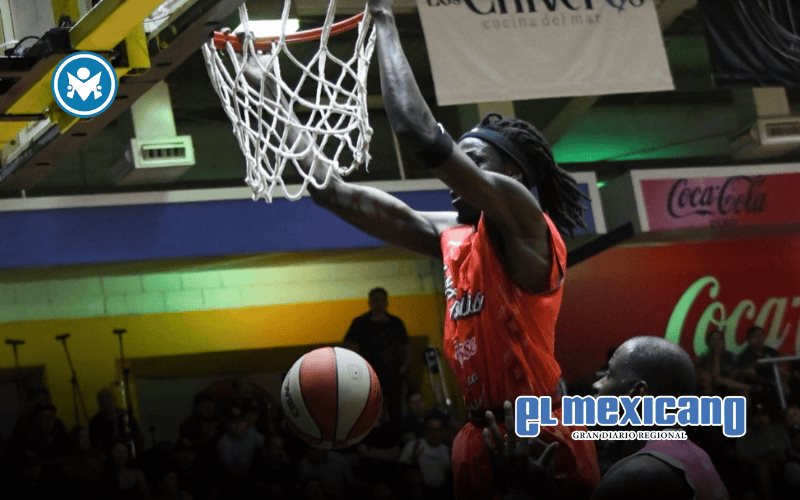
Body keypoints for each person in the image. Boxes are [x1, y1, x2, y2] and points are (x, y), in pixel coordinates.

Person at [241, 0, 600, 497]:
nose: (458, 179)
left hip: (540, 432)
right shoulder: (456, 239)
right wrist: (266, 91)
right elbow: (332, 191)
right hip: (480, 433)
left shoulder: (524, 221)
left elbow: (416, 131)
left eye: (472, 161)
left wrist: (382, 20)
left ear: (513, 173)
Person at [591, 337, 729, 500]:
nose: (596, 384)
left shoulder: (637, 474)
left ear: (638, 394)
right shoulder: (692, 454)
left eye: (609, 375)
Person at [344, 287, 411, 426]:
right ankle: (372, 441)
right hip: (369, 375)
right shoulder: (360, 323)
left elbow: (406, 345)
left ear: (387, 302)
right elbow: (349, 345)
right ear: (369, 302)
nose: (379, 303)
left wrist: (404, 366)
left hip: (393, 373)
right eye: (375, 300)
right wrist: (356, 368)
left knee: (395, 408)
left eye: (381, 300)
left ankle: (396, 439)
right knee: (370, 408)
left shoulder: (396, 323)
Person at [398, 410, 452, 498]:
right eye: (431, 430)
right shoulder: (413, 446)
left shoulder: (447, 451)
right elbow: (399, 472)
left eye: (438, 430)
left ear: (443, 431)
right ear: (425, 430)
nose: (434, 434)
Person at [90, 388, 140, 454]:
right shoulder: (95, 422)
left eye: (108, 398)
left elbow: (137, 434)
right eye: (102, 400)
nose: (106, 402)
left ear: (114, 399)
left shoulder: (125, 415)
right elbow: (95, 444)